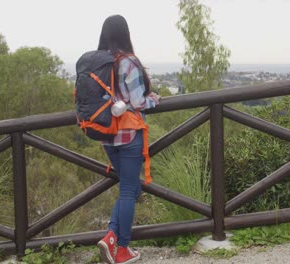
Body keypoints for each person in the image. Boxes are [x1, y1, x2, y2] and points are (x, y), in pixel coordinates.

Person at [96, 15, 160, 264]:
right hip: (129, 135)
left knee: (128, 188)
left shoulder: (100, 62)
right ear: (125, 33)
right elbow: (138, 102)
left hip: (106, 136)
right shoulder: (128, 62)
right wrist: (155, 99)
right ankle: (121, 248)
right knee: (128, 191)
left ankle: (111, 236)